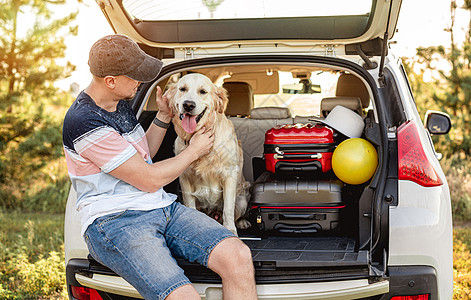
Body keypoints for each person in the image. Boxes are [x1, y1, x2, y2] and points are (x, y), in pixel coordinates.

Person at [62, 34, 257, 300]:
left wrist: (164, 116)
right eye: (135, 76)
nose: (141, 82)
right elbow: (148, 179)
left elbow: (145, 154)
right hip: (117, 222)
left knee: (238, 255)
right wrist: (193, 151)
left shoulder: (118, 104)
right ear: (111, 81)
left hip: (160, 207)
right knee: (183, 297)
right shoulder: (85, 123)